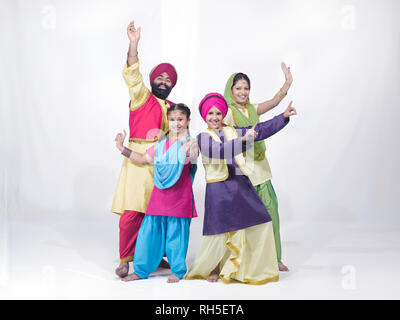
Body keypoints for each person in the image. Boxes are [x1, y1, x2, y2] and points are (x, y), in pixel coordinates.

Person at [186, 93, 296, 284]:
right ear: (205, 117)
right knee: (218, 230)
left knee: (260, 220)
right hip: (218, 190)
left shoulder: (232, 131)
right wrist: (244, 141)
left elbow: (259, 129)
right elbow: (218, 152)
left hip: (239, 185)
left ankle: (246, 265)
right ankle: (214, 267)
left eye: (218, 113)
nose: (215, 117)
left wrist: (282, 117)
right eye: (210, 113)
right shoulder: (203, 137)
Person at [111, 21, 179, 277]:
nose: (164, 81)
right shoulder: (142, 98)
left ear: (172, 85)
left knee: (159, 211)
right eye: (160, 77)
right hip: (138, 162)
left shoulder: (173, 107)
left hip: (162, 162)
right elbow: (132, 76)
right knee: (132, 211)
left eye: (168, 79)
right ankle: (125, 260)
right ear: (152, 80)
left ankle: (153, 255)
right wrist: (133, 45)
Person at [115, 104, 199, 283]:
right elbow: (143, 159)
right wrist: (122, 148)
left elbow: (190, 160)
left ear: (188, 121)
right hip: (159, 197)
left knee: (176, 235)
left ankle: (177, 270)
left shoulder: (191, 143)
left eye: (180, 119)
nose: (176, 123)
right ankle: (141, 269)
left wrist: (185, 154)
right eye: (172, 119)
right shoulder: (161, 145)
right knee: (149, 233)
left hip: (179, 198)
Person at [222, 63, 293, 271]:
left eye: (246, 88)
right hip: (242, 172)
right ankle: (242, 259)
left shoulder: (253, 109)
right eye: (238, 88)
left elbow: (273, 102)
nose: (242, 92)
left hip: (261, 170)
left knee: (271, 214)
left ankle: (275, 258)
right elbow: (227, 140)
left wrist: (287, 83)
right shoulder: (227, 113)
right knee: (244, 219)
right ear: (230, 90)